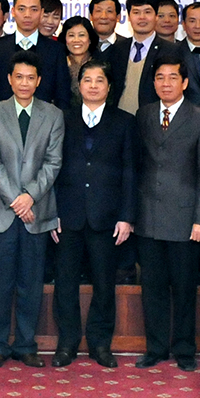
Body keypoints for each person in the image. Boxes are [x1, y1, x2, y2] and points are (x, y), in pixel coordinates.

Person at [0, 51, 64, 369]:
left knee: (31, 283)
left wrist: (30, 197)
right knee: (0, 282)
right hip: (2, 211)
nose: (24, 83)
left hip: (37, 211)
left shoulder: (53, 115)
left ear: (39, 81)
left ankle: (27, 344)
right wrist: (17, 199)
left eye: (31, 78)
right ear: (9, 79)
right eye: (19, 77)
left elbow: (53, 162)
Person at [134, 57, 200, 371]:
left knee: (183, 289)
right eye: (160, 77)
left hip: (185, 219)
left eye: (172, 77)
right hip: (148, 216)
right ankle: (155, 348)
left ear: (184, 82)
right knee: (152, 288)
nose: (165, 83)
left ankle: (184, 349)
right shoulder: (144, 114)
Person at [51, 60, 135, 368]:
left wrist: (127, 216)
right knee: (65, 284)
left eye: (100, 80)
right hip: (67, 216)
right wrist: (51, 212)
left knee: (104, 284)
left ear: (109, 87)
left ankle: (100, 345)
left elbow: (130, 172)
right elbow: (52, 168)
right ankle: (67, 343)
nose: (94, 85)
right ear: (79, 85)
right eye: (88, 80)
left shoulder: (124, 122)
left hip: (107, 217)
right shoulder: (62, 119)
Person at [0, 0, 70, 110]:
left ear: (41, 12)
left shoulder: (56, 50)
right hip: (3, 119)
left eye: (34, 9)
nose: (27, 15)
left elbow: (62, 95)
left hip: (45, 119)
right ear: (13, 12)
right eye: (21, 9)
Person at [106, 0, 177, 116]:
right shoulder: (117, 49)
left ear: (156, 16)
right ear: (129, 17)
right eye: (136, 12)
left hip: (154, 120)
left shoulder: (170, 50)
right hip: (120, 119)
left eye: (147, 12)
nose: (142, 17)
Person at [59, 15, 97, 105]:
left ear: (90, 39)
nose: (76, 40)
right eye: (71, 35)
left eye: (81, 35)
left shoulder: (99, 63)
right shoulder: (58, 64)